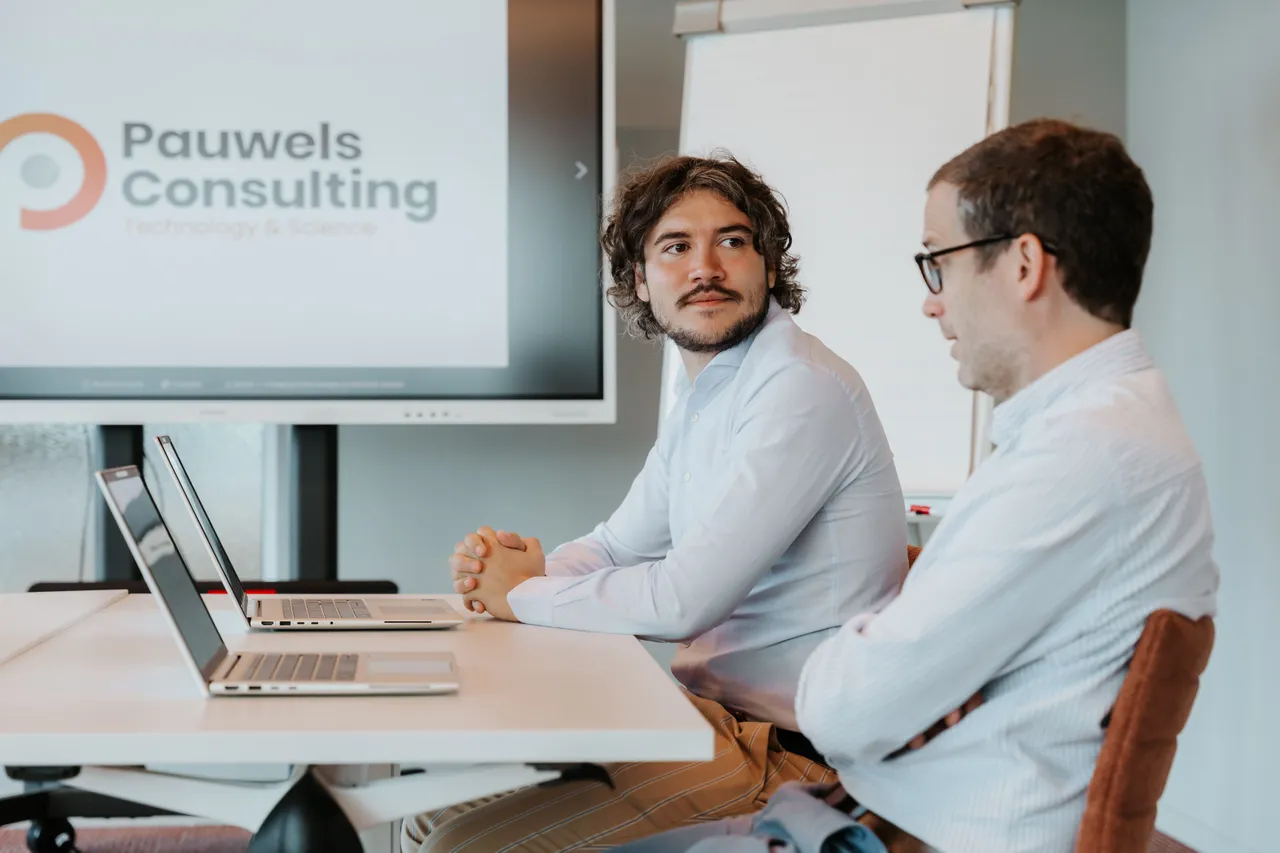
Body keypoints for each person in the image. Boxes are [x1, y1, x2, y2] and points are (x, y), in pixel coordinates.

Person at [613, 119, 1221, 853]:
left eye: (939, 263)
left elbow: (844, 710)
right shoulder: (1110, 427)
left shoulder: (1076, 457)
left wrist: (867, 643)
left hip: (910, 830)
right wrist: (894, 637)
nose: (933, 302)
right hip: (886, 808)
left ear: (1024, 264)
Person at [400, 152, 909, 852]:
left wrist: (520, 594)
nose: (706, 268)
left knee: (457, 847)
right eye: (676, 247)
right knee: (424, 814)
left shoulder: (799, 387)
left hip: (798, 762)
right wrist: (523, 575)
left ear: (768, 266)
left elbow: (681, 602)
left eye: (732, 241)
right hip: (714, 725)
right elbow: (618, 545)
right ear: (640, 279)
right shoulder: (710, 392)